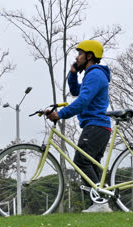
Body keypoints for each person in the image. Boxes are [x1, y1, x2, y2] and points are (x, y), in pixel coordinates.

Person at [45, 40, 113, 213]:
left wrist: (60, 114)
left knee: (81, 161)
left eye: (80, 53)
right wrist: (73, 73)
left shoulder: (95, 74)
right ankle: (102, 204)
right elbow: (76, 91)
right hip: (97, 126)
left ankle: (100, 203)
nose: (77, 57)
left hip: (96, 125)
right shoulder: (92, 75)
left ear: (89, 56)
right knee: (92, 164)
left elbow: (82, 101)